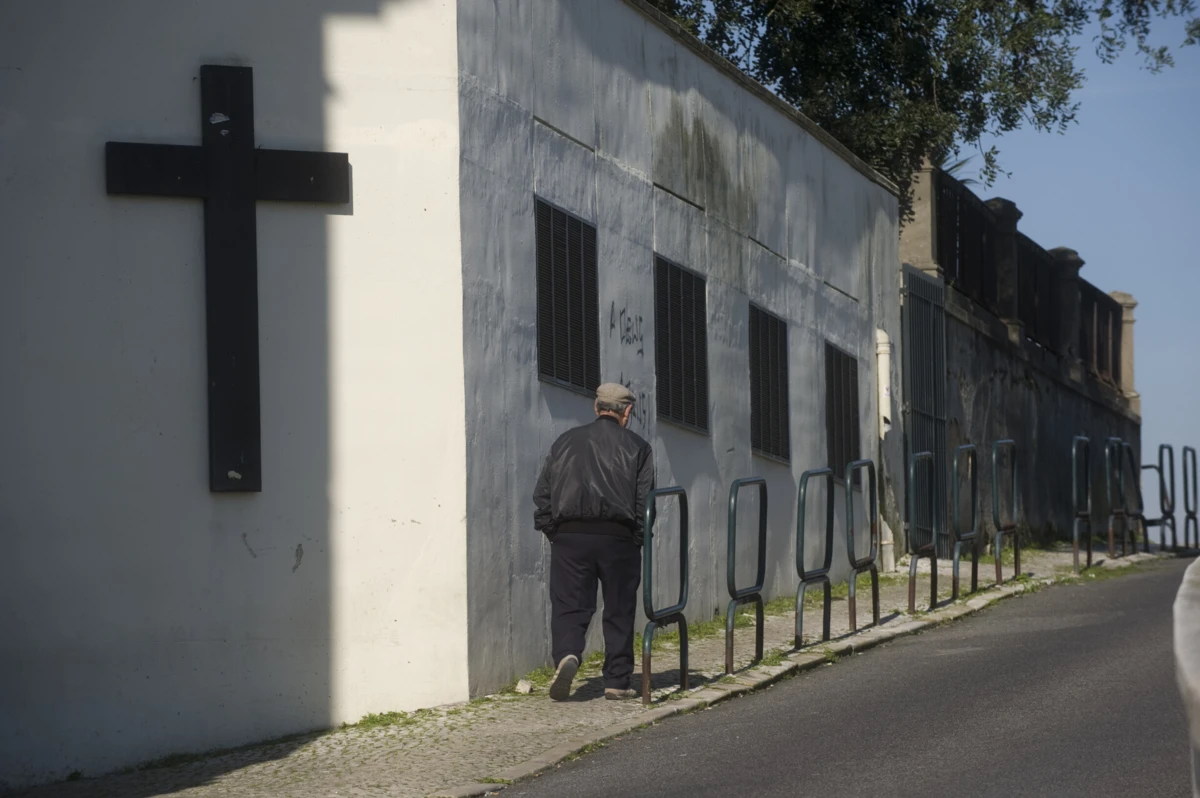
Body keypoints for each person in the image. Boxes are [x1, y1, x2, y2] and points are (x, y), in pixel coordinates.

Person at [533, 382, 655, 701]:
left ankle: (568, 655)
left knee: (568, 605)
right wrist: (637, 539)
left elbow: (542, 494)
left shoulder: (565, 442)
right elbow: (645, 502)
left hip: (570, 536)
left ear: (596, 407)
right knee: (619, 608)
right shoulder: (638, 447)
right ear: (626, 412)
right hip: (618, 537)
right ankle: (616, 680)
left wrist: (554, 531)